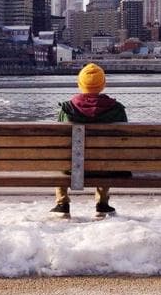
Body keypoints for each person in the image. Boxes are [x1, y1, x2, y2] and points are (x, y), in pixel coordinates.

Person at [51, 63, 128, 218]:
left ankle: (62, 203)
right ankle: (102, 204)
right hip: (105, 167)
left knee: (61, 157)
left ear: (80, 84)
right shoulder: (117, 109)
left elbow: (58, 140)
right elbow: (123, 141)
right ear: (103, 84)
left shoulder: (67, 109)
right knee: (108, 156)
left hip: (71, 168)